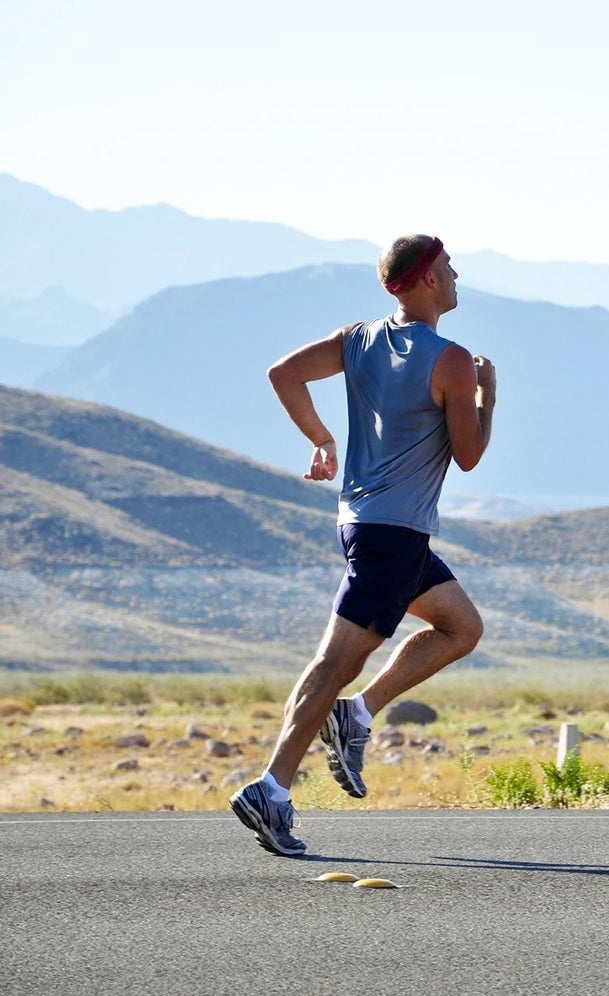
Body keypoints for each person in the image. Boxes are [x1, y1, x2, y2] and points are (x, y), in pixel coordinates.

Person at [229, 234, 496, 856]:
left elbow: (283, 373)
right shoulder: (451, 360)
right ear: (427, 278)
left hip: (368, 525)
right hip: (393, 536)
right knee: (334, 662)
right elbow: (470, 455)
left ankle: (358, 713)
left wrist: (321, 439)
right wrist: (487, 394)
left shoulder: (359, 338)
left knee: (461, 627)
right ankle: (271, 788)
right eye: (450, 270)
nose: (458, 279)